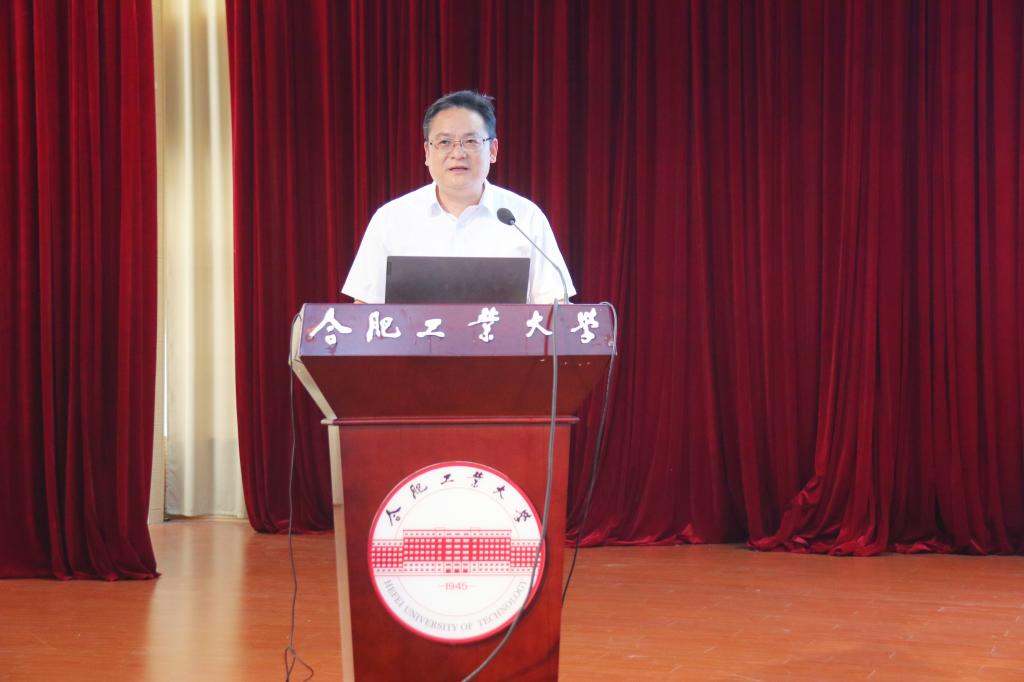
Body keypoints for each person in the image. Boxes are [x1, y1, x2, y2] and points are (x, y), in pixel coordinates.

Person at [341, 90, 576, 304]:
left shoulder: (524, 218)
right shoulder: (391, 219)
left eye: (471, 141)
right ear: (427, 152)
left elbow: (556, 310)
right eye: (444, 142)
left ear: (493, 150)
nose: (458, 153)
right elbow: (364, 311)